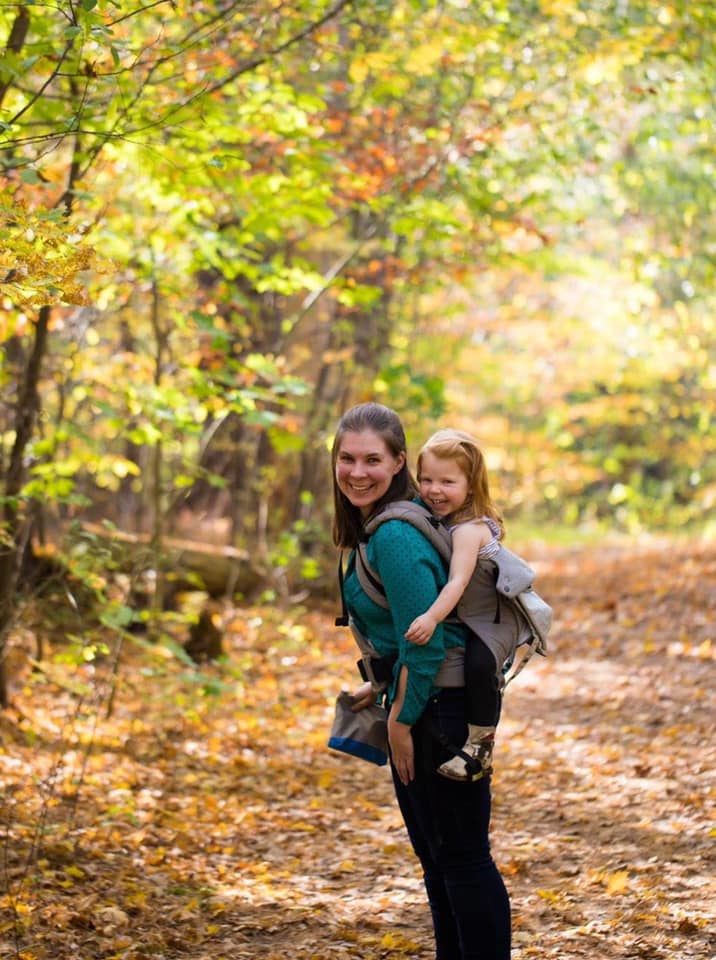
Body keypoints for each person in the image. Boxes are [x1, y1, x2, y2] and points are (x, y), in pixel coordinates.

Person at [331, 402, 511, 960]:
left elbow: (426, 642)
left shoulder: (396, 536)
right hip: (426, 702)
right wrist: (379, 687)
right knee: (441, 860)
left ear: (398, 462)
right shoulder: (385, 524)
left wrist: (403, 722)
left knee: (460, 859)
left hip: (438, 712)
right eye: (346, 459)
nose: (357, 472)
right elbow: (401, 631)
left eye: (372, 460)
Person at [405, 428, 506, 782]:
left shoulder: (467, 529)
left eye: (447, 481)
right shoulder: (442, 520)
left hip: (492, 619)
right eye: (426, 479)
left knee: (479, 667)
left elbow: (458, 582)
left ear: (471, 485)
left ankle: (480, 747)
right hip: (472, 613)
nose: (434, 490)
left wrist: (432, 617)